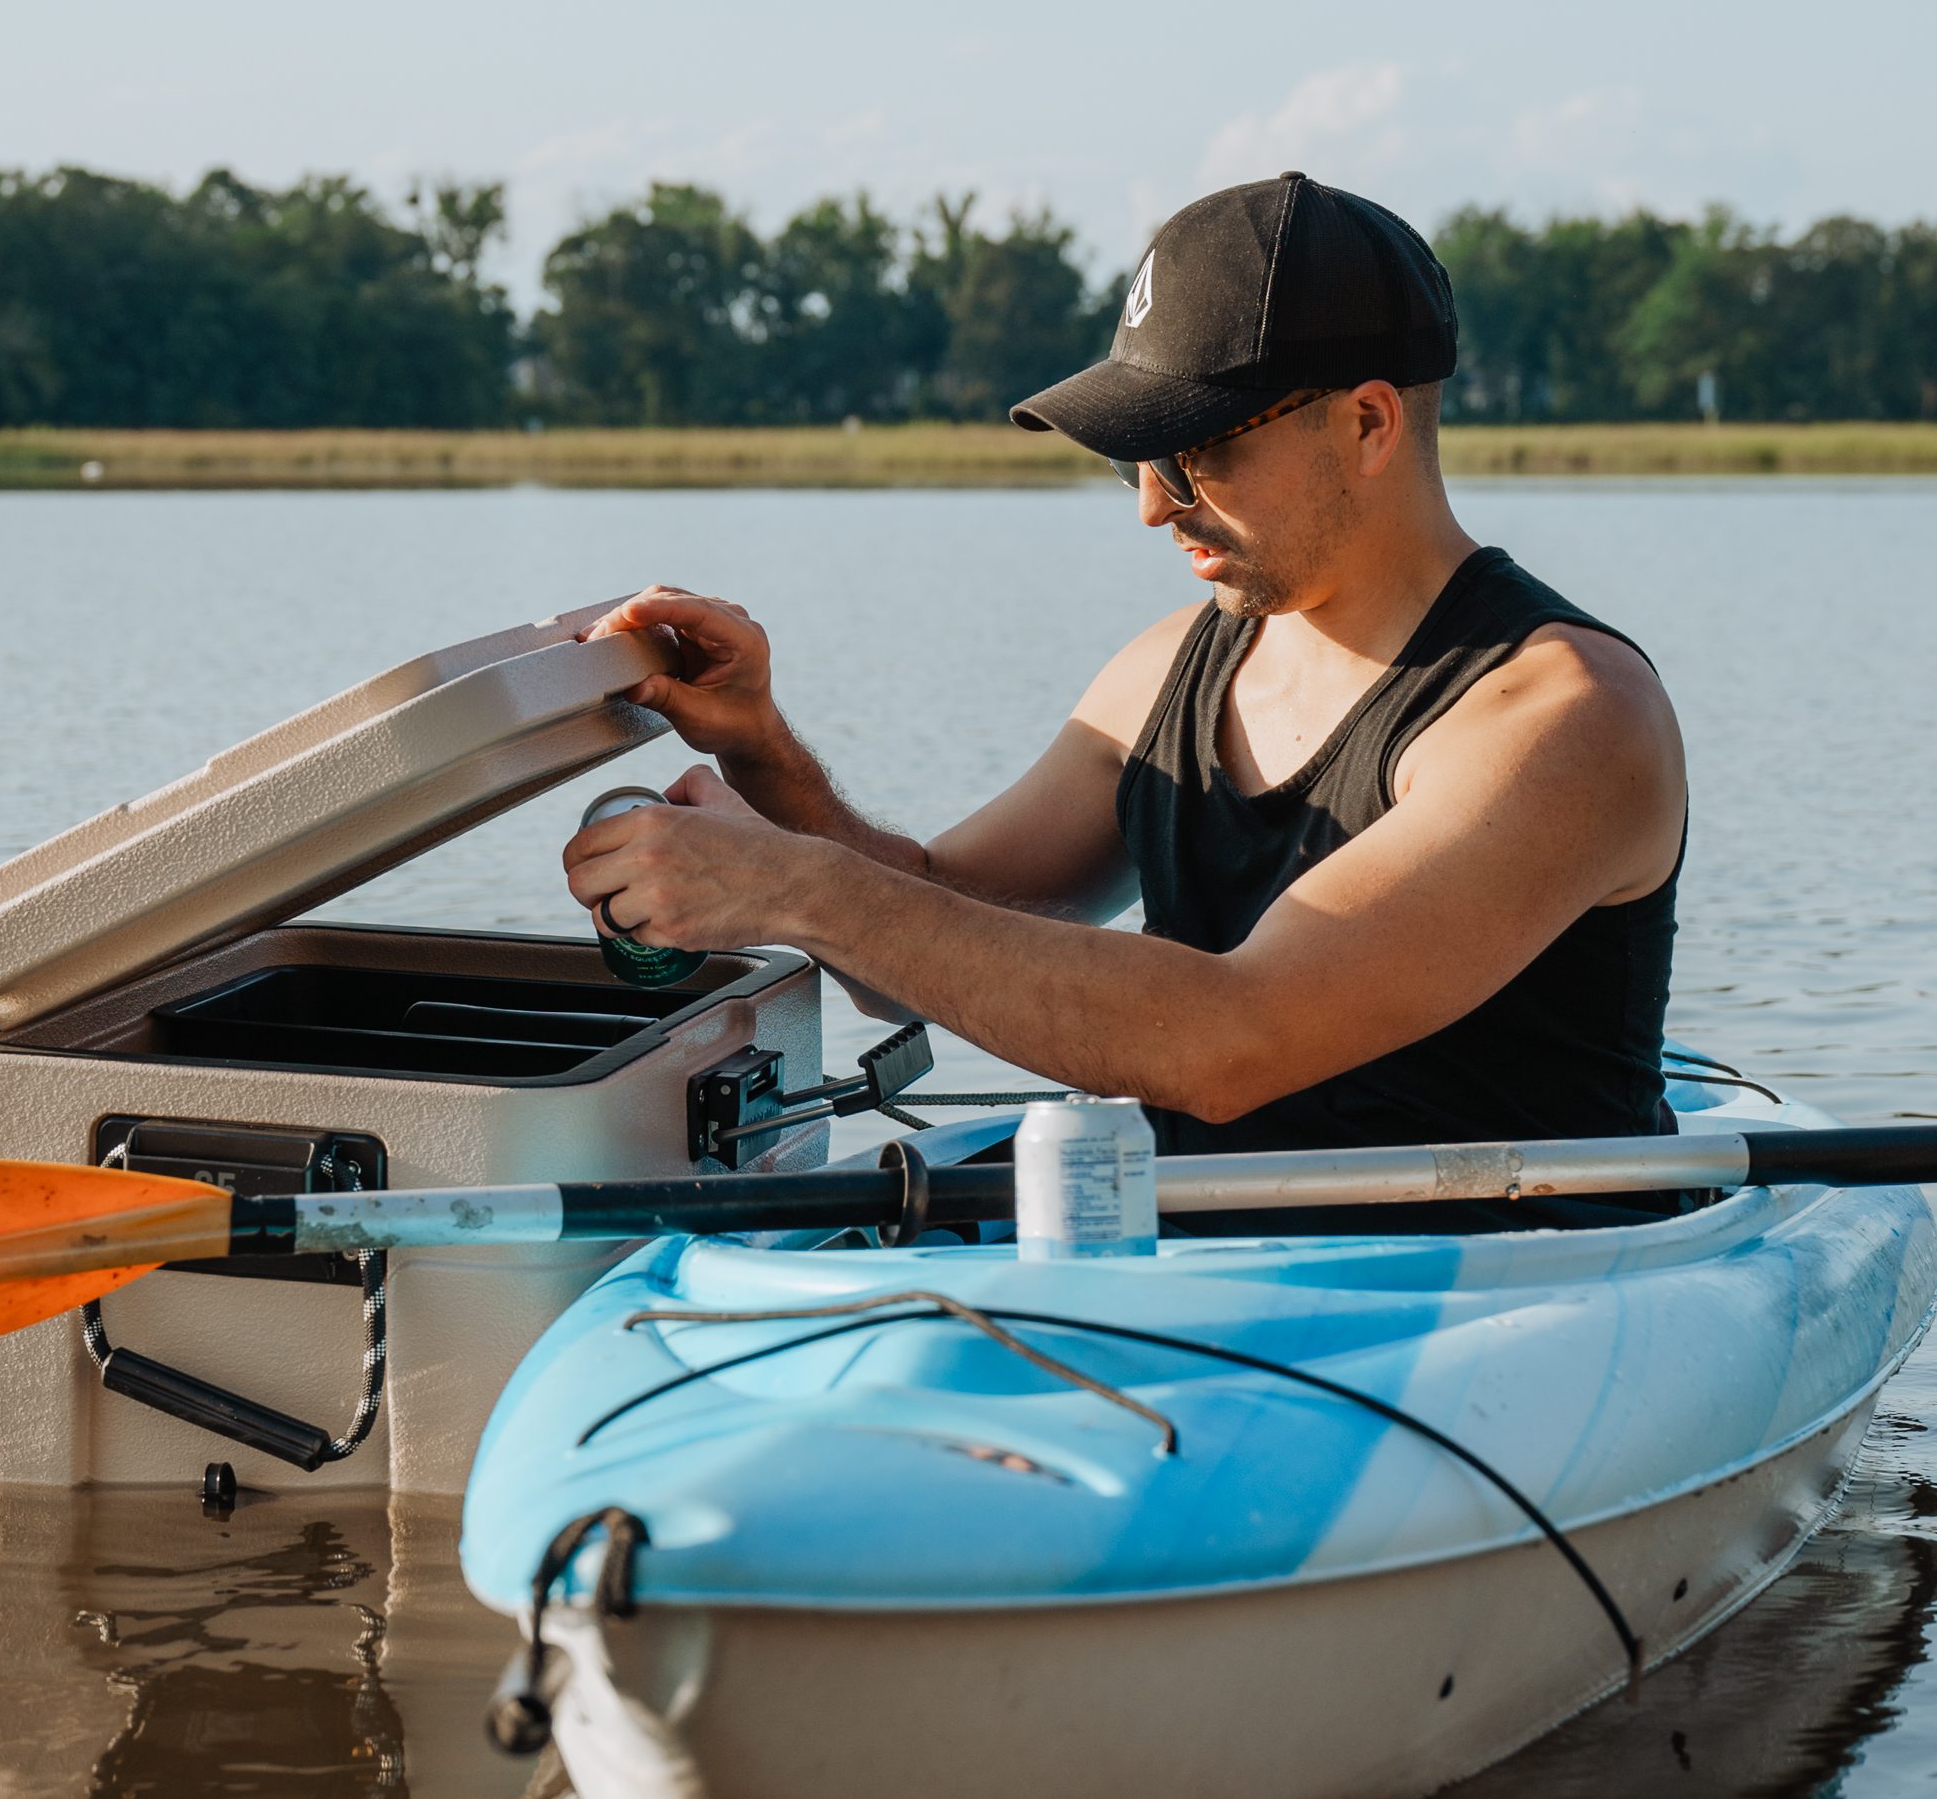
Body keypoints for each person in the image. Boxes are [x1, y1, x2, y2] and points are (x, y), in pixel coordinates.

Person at [564, 171, 1687, 1208]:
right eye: (1129, 460)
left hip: (1520, 1303)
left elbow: (1229, 1043)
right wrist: (765, 760)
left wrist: (799, 891)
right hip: (1206, 1296)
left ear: (1368, 422)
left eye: (1191, 452)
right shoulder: (1167, 669)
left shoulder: (1563, 718)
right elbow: (941, 934)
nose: (1153, 506)